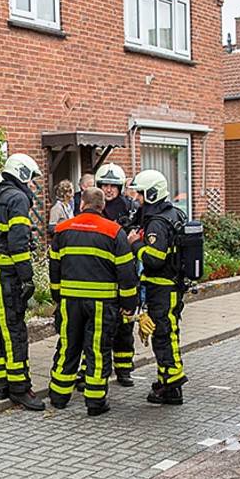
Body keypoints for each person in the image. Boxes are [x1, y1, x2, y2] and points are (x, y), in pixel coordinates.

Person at [47, 187, 138, 416]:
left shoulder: (62, 230)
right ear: (103, 206)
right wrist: (129, 304)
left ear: (81, 205)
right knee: (97, 350)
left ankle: (58, 397)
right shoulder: (114, 231)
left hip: (70, 302)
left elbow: (54, 268)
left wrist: (58, 297)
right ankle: (95, 402)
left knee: (68, 346)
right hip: (101, 303)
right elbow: (126, 273)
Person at [0, 154, 45, 411]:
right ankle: (20, 388)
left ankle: (0, 385)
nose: (31, 185)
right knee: (13, 328)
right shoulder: (16, 199)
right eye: (31, 179)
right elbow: (19, 243)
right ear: (22, 174)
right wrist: (26, 276)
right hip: (5, 272)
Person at [128, 170, 187, 405]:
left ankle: (172, 387)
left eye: (141, 194)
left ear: (152, 194)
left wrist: (135, 244)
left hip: (163, 288)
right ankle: (165, 380)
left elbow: (154, 258)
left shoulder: (157, 223)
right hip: (169, 286)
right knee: (165, 334)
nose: (137, 199)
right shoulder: (173, 214)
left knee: (164, 335)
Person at [94, 163, 139, 387]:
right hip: (100, 275)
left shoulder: (130, 208)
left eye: (113, 186)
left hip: (124, 273)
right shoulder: (93, 208)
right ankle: (99, 369)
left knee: (125, 326)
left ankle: (124, 370)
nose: (109, 189)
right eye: (105, 185)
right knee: (99, 329)